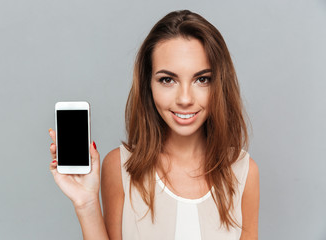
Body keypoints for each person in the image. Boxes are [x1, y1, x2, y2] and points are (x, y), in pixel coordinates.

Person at [49, 10, 259, 240]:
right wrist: (86, 204)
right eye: (167, 80)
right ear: (148, 84)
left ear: (219, 84)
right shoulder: (120, 168)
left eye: (202, 79)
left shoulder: (243, 171)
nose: (185, 99)